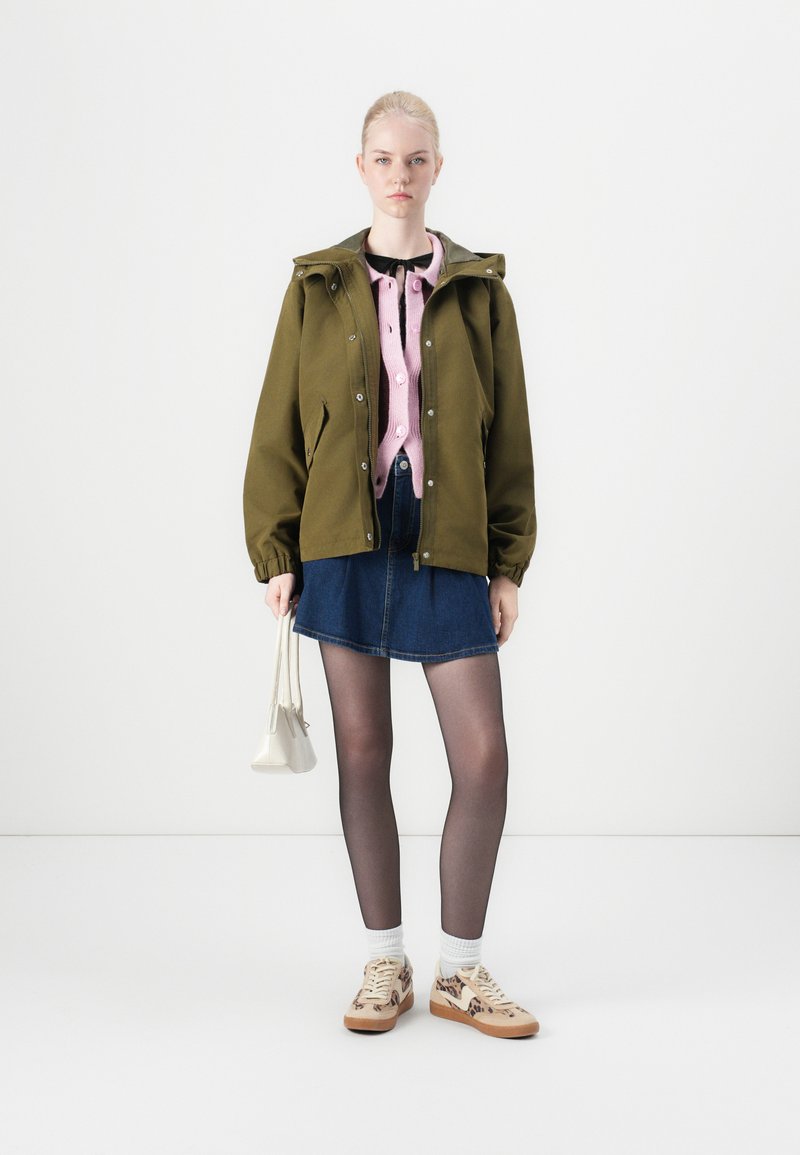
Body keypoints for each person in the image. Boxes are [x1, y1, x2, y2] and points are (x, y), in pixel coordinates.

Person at [243, 91, 539, 1039]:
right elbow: (279, 422)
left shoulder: (481, 290)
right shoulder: (317, 286)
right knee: (364, 750)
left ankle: (462, 971)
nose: (400, 175)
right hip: (345, 538)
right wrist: (276, 551)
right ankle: (385, 960)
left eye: (416, 159)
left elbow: (510, 437)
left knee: (483, 756)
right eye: (384, 158)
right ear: (361, 166)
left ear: (437, 168)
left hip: (447, 537)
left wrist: (507, 564)